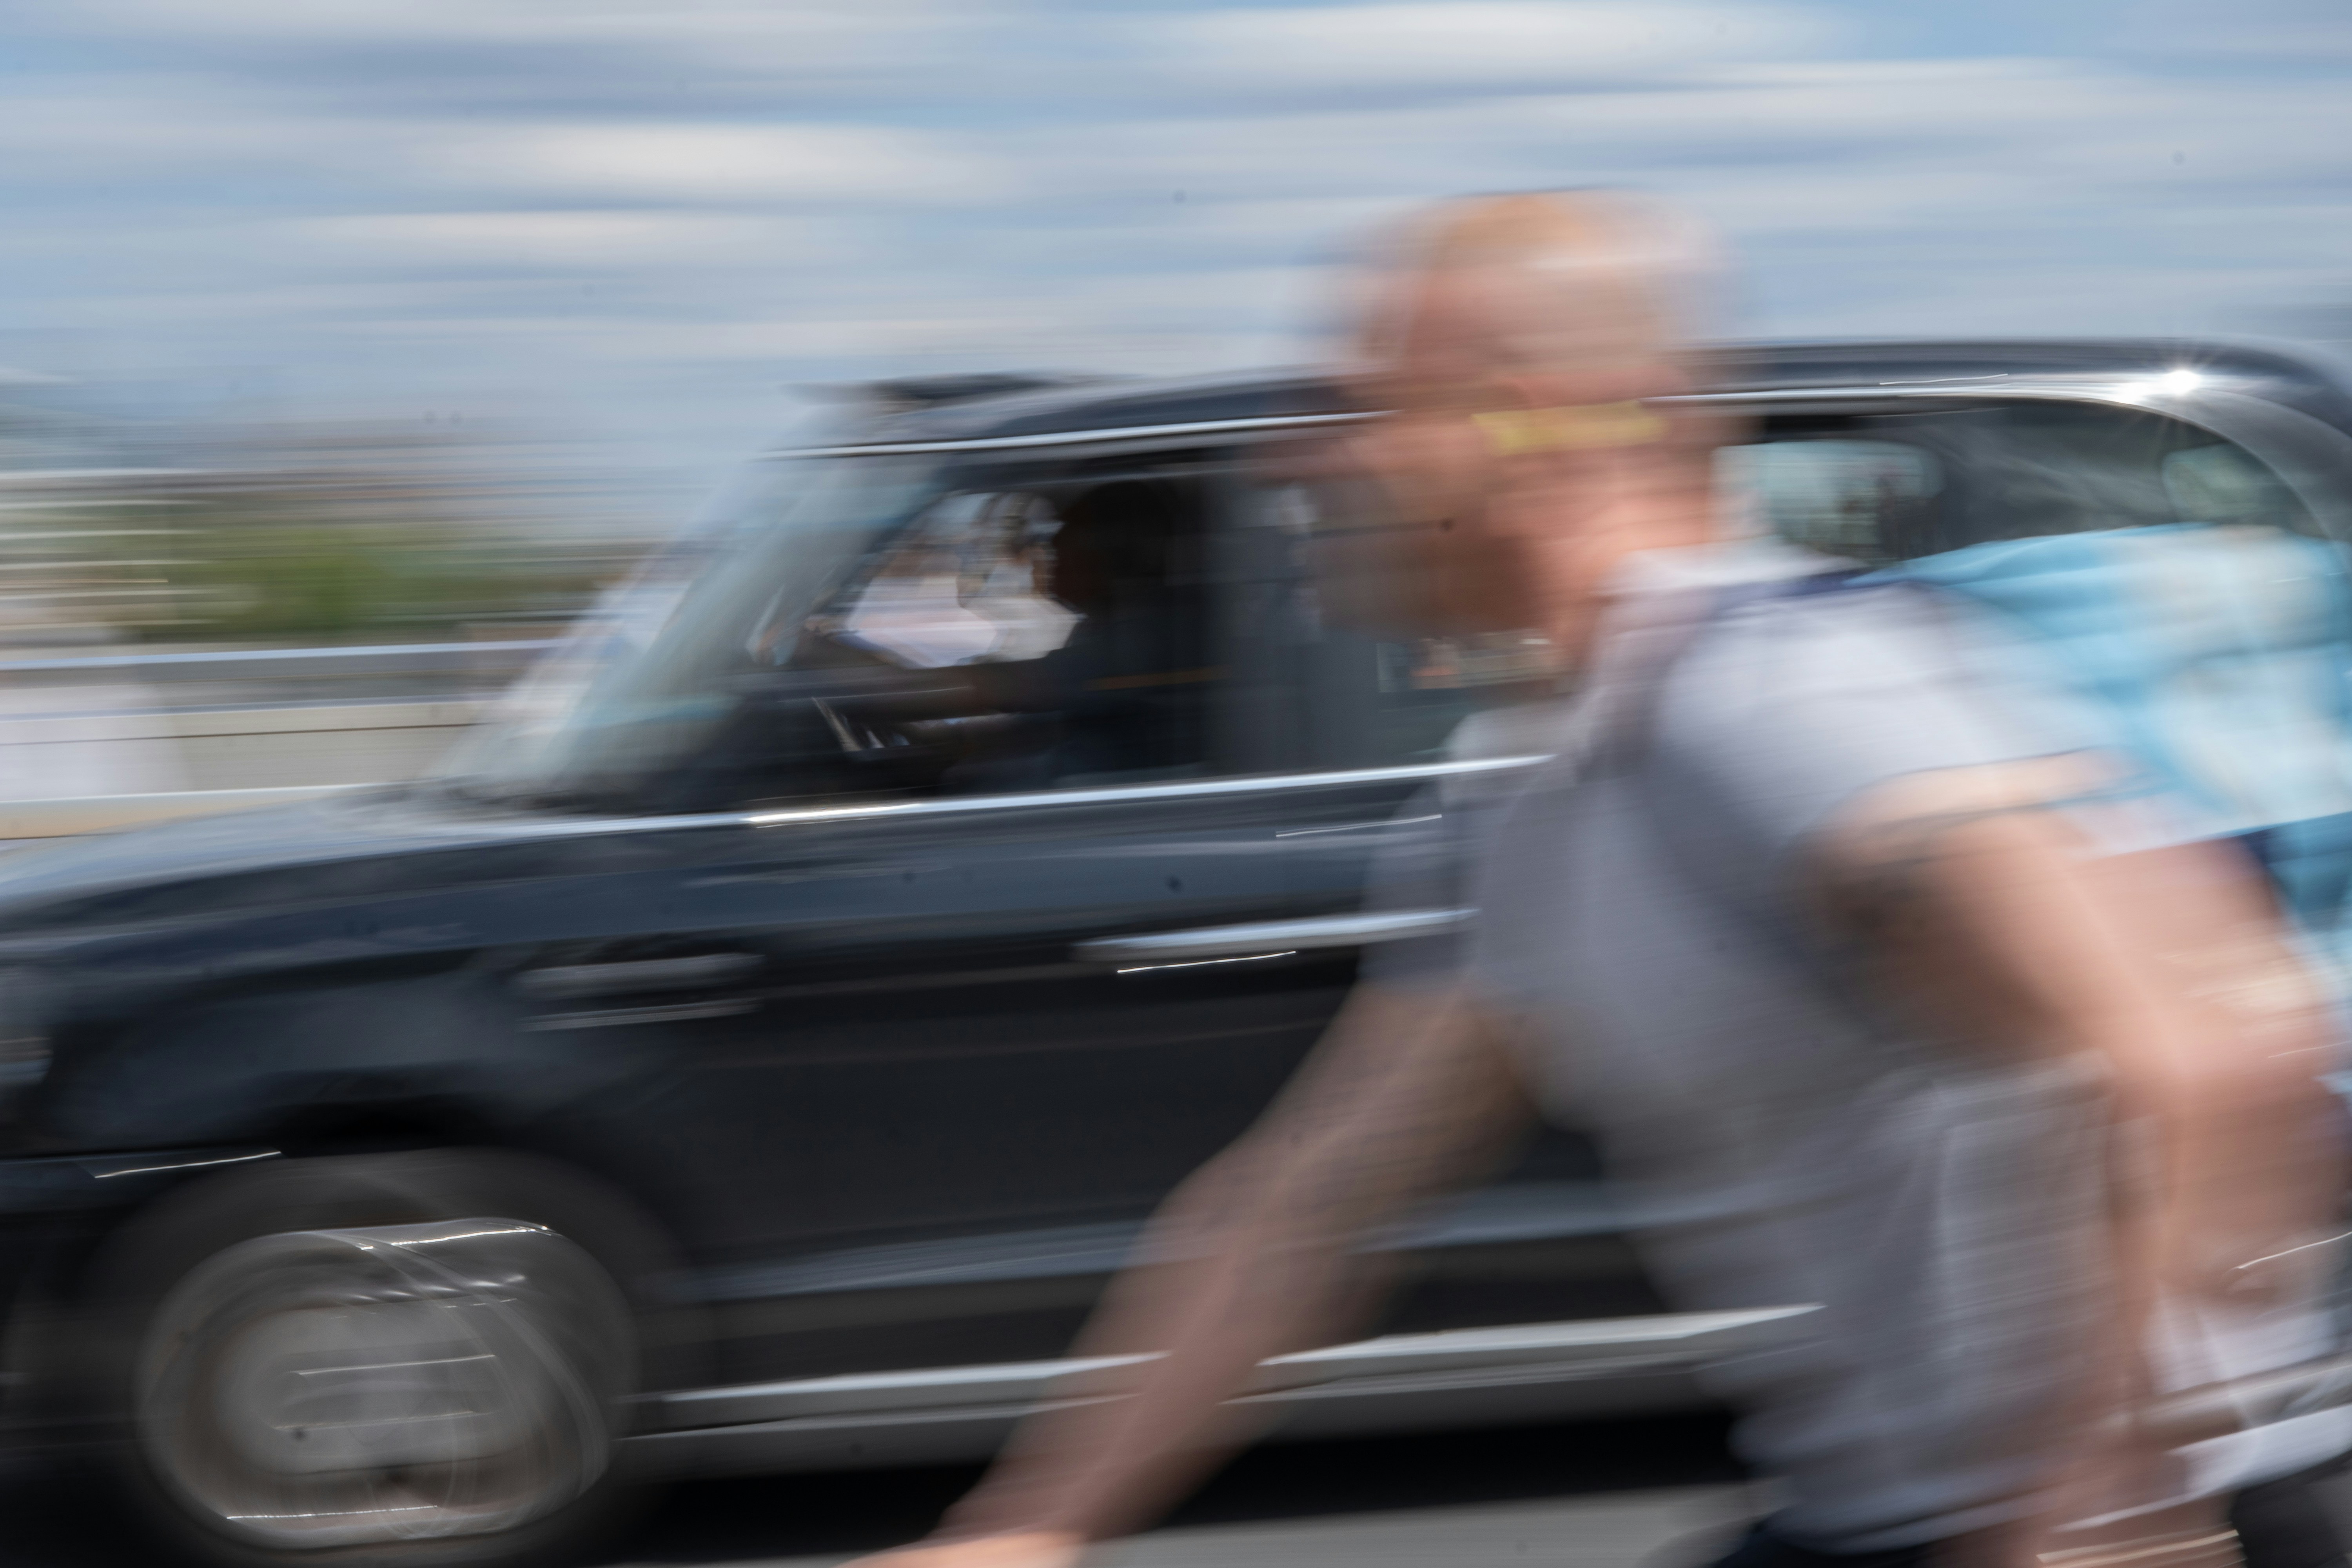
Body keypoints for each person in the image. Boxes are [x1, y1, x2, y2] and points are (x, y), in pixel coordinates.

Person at [848, 190, 2351, 1568]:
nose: (1307, 461)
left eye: (1365, 405)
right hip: (1875, 1521)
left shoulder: (1775, 698)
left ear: (1517, 427)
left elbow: (2217, 1048)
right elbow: (1302, 1208)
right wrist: (1030, 1531)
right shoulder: (1534, 792)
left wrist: (2105, 1514)